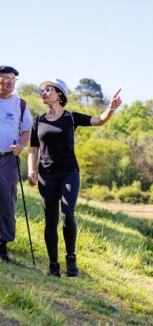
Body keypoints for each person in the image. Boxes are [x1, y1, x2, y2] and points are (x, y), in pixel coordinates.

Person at [27, 78, 121, 277]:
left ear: (59, 95)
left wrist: (111, 109)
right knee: (50, 220)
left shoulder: (71, 118)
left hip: (70, 173)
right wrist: (31, 170)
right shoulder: (38, 121)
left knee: (67, 214)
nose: (44, 92)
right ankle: (53, 266)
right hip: (46, 176)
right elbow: (33, 150)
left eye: (48, 89)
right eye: (42, 90)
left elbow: (99, 121)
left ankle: (71, 260)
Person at [0, 65, 33, 261]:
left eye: (13, 79)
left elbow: (27, 131)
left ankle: (3, 246)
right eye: (5, 78)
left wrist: (21, 145)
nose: (10, 82)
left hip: (8, 159)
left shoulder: (20, 104)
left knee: (6, 201)